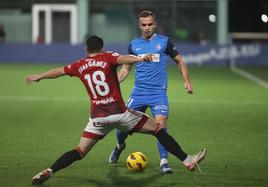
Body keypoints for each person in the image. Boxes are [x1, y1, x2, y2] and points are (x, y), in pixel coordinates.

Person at [26, 35, 206, 185]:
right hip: (120, 114)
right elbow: (122, 59)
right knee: (158, 129)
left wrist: (39, 77)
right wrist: (140, 58)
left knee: (79, 151)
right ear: (102, 47)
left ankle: (50, 170)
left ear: (85, 49)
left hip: (98, 119)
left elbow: (59, 71)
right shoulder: (107, 57)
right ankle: (188, 161)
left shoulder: (79, 65)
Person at [109, 10, 193, 174]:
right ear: (139, 25)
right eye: (144, 25)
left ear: (155, 24)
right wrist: (115, 83)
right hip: (138, 93)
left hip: (158, 93)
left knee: (160, 126)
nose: (147, 27)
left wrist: (187, 81)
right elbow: (126, 69)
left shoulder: (165, 42)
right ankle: (119, 146)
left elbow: (179, 60)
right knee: (122, 125)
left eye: (150, 24)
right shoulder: (134, 44)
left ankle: (164, 161)